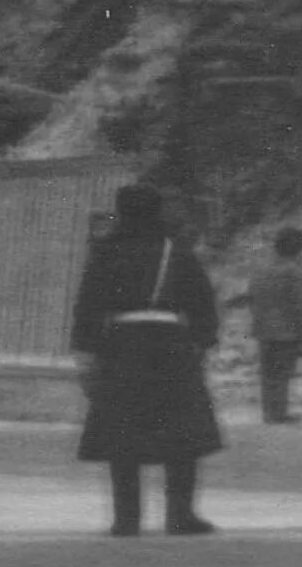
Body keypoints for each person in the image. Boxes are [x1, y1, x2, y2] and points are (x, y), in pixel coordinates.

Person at [70, 183, 223, 537]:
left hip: (122, 346)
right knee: (181, 434)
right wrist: (202, 341)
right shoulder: (176, 250)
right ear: (158, 210)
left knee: (123, 434)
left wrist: (88, 350)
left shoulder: (107, 251)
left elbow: (89, 306)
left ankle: (126, 518)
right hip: (171, 345)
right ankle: (181, 514)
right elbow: (202, 301)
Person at [247, 227, 302, 425]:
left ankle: (270, 412)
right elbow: (299, 305)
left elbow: (252, 297)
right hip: (286, 330)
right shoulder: (292, 271)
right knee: (282, 373)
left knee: (268, 373)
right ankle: (279, 413)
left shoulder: (260, 268)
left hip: (262, 328)